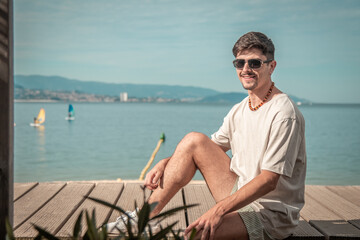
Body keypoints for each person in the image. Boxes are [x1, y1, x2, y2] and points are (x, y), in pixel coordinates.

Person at [107, 32, 306, 240]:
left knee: (193, 235)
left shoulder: (283, 113)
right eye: (240, 63)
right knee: (194, 141)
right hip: (242, 194)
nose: (246, 69)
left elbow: (269, 180)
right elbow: (211, 147)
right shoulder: (240, 108)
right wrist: (166, 162)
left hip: (270, 215)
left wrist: (218, 210)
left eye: (255, 63)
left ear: (271, 66)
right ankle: (143, 218)